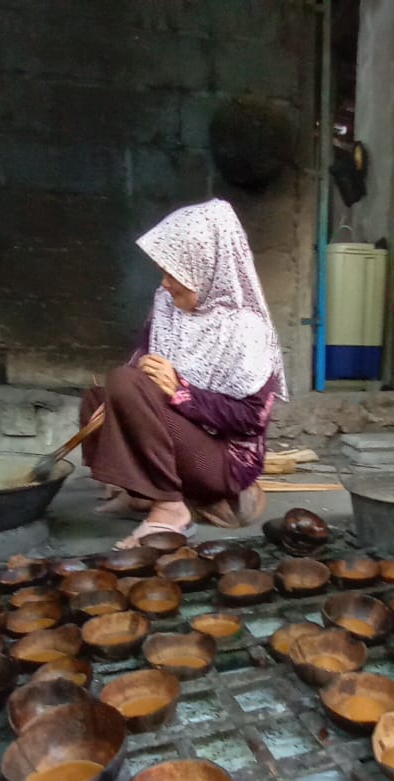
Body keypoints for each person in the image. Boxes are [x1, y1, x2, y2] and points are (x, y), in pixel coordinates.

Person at [79, 200, 287, 550]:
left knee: (124, 386)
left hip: (222, 458)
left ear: (205, 268)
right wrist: (118, 405)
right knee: (98, 398)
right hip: (179, 435)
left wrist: (182, 393)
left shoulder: (246, 329)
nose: (165, 282)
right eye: (164, 271)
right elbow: (142, 366)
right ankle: (141, 495)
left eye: (175, 273)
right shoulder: (165, 304)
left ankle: (171, 509)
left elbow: (250, 420)